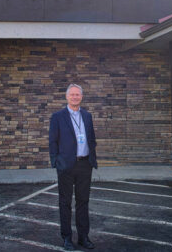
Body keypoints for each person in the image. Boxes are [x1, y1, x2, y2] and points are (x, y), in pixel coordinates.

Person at [49, 83, 98, 250]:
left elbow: (91, 139)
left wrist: (92, 158)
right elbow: (52, 141)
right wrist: (56, 162)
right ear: (67, 97)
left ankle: (83, 237)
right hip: (66, 166)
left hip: (85, 164)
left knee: (83, 202)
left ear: (82, 97)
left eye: (78, 95)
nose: (75, 97)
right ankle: (67, 238)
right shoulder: (58, 116)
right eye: (72, 94)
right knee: (65, 202)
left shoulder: (87, 116)